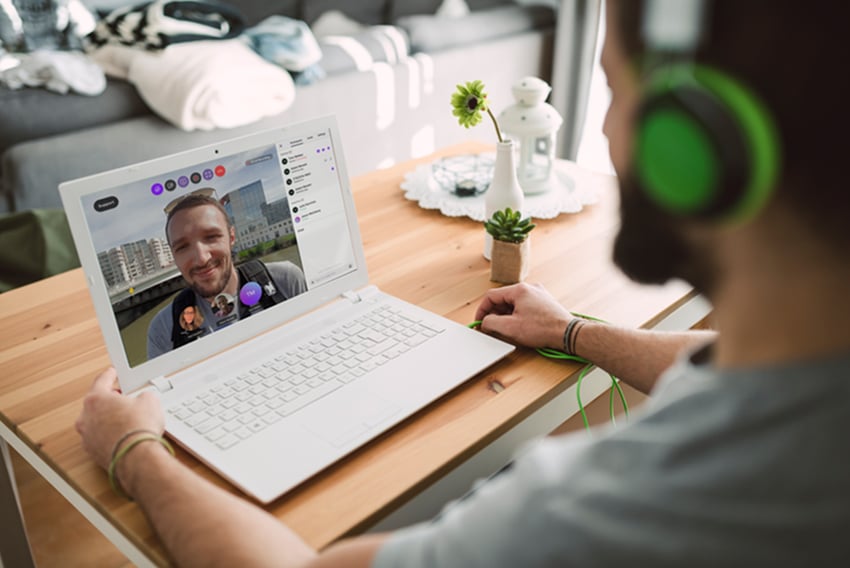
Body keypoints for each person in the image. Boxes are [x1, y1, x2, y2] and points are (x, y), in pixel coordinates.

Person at [76, 1, 850, 566]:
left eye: (614, 93)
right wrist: (575, 332)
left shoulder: (600, 510)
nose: (610, 135)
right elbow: (724, 363)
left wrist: (137, 452)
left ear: (691, 146)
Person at [146, 192, 308, 359]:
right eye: (182, 247)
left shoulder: (285, 280)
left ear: (231, 237)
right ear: (173, 256)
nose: (202, 258)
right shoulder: (164, 328)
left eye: (211, 237)